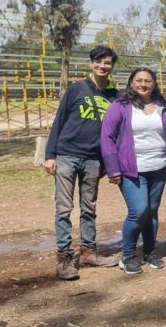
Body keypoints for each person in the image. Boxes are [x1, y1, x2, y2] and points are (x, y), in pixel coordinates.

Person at [45, 45, 120, 281]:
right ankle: (65, 258)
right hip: (67, 155)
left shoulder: (114, 96)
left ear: (112, 66)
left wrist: (109, 162)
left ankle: (88, 251)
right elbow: (59, 121)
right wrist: (50, 155)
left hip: (93, 159)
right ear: (91, 63)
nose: (102, 66)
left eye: (107, 62)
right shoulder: (76, 89)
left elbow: (114, 133)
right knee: (63, 209)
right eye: (99, 61)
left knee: (89, 208)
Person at [101, 68, 166, 275]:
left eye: (147, 81)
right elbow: (107, 138)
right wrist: (113, 168)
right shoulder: (120, 106)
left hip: (158, 166)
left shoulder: (162, 106)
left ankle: (150, 251)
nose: (143, 84)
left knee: (152, 211)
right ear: (131, 83)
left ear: (154, 83)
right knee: (138, 211)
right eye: (138, 80)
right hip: (132, 169)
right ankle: (128, 256)